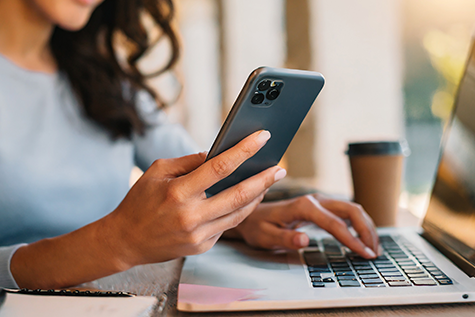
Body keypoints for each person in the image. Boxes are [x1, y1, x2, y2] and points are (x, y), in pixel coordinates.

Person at [0, 0, 379, 290]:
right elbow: (125, 237)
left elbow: (196, 172)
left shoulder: (103, 76)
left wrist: (242, 216)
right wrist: (115, 243)